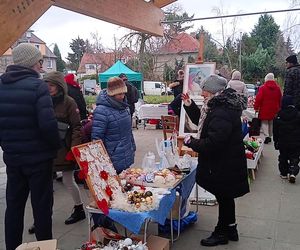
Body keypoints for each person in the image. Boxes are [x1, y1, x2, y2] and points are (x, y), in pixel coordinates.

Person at [0, 43, 61, 250]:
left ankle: (12, 247)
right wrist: (55, 147)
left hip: (13, 159)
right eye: (40, 61)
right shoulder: (38, 86)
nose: (41, 65)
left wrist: (8, 145)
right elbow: (48, 124)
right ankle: (44, 246)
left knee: (14, 207)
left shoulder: (1, 85)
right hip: (39, 160)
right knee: (42, 209)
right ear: (33, 62)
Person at [182, 75, 249, 247]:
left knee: (224, 196)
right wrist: (189, 105)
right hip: (227, 161)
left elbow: (213, 143)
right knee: (226, 196)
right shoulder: (218, 106)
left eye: (204, 91)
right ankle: (231, 228)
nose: (202, 94)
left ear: (214, 92)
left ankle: (221, 232)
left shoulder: (222, 111)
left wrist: (192, 142)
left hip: (224, 163)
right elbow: (205, 124)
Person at [44, 71, 86, 224]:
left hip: (65, 148)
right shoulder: (42, 100)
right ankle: (43, 215)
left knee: (68, 181)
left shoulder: (69, 102)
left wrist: (73, 149)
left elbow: (77, 127)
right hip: (47, 149)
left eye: (52, 85)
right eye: (46, 85)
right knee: (44, 185)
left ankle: (79, 208)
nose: (49, 88)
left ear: (59, 86)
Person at [92, 76, 136, 174]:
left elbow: (128, 131)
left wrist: (132, 146)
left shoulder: (124, 107)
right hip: (111, 156)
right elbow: (97, 137)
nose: (122, 96)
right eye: (119, 94)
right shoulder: (102, 110)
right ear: (112, 93)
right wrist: (100, 159)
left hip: (126, 152)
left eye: (123, 93)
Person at [273, 95, 300, 183]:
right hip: (296, 141)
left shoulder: (278, 115)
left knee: (283, 157)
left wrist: (275, 142)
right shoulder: (298, 114)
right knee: (295, 157)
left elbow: (275, 131)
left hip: (282, 141)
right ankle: (292, 171)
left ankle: (284, 173)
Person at [254, 73, 282, 144]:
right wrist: (279, 108)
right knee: (271, 123)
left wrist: (256, 107)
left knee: (264, 122)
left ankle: (266, 136)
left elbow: (258, 98)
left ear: (266, 79)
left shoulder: (263, 88)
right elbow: (280, 99)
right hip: (274, 109)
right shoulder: (278, 88)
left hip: (264, 109)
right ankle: (270, 136)